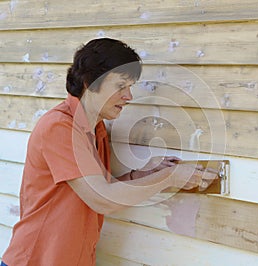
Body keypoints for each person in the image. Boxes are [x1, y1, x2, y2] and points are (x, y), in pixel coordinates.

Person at [1, 38, 217, 266]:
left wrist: (143, 174)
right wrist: (169, 177)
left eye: (130, 86)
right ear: (89, 82)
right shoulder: (59, 127)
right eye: (121, 86)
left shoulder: (96, 128)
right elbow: (102, 200)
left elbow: (98, 189)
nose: (129, 96)